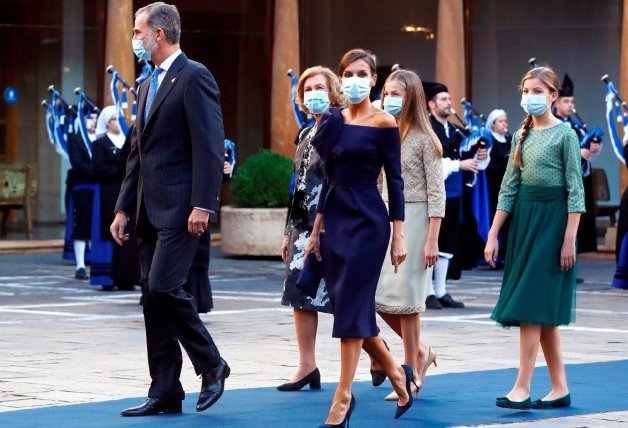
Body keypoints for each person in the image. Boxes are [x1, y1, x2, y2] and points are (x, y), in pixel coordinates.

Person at [111, 3, 228, 416]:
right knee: (151, 298)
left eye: (138, 30)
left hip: (182, 209)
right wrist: (123, 208)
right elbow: (136, 155)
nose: (135, 38)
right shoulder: (146, 84)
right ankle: (165, 389)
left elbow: (210, 147)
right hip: (146, 209)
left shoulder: (194, 76)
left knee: (164, 287)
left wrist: (203, 204)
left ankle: (212, 364)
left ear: (158, 34)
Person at [304, 48, 414, 427]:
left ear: (373, 80)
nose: (353, 80)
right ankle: (398, 375)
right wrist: (316, 231)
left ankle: (343, 397)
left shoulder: (384, 122)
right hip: (335, 217)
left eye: (361, 73)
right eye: (347, 73)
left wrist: (399, 235)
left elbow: (396, 182)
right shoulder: (333, 120)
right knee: (351, 308)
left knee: (351, 306)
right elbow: (327, 179)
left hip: (369, 221)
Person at [484, 66, 584, 410]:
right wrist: (493, 234)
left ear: (553, 96)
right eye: (526, 90)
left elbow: (576, 189)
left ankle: (522, 387)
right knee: (541, 314)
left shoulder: (566, 134)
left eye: (538, 91)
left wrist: (570, 237)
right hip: (525, 223)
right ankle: (560, 388)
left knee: (530, 307)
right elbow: (508, 188)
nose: (530, 97)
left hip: (553, 223)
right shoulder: (520, 136)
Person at [374, 69, 444, 401]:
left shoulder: (425, 139)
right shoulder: (383, 133)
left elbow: (437, 193)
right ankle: (422, 351)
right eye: (386, 92)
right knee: (379, 298)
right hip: (386, 219)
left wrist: (432, 238)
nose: (389, 99)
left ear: (412, 97)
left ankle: (409, 373)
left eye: (397, 94)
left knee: (408, 302)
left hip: (417, 220)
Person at [277, 66, 344, 391]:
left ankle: (381, 356)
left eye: (320, 87)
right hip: (303, 226)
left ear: (332, 92)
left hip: (333, 223)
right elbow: (300, 187)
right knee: (299, 296)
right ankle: (307, 366)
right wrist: (289, 233)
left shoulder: (341, 128)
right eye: (308, 89)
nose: (314, 93)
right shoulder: (305, 133)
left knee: (346, 299)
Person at [423, 82, 483, 309]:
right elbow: (431, 163)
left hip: (454, 193)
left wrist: (479, 154)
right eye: (444, 99)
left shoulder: (454, 130)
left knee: (448, 242)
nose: (449, 103)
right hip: (433, 192)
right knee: (431, 242)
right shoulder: (428, 129)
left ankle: (441, 291)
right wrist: (460, 164)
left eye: (449, 99)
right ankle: (427, 292)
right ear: (431, 104)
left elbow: (468, 157)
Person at [93, 107, 140, 290]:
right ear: (106, 122)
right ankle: (107, 277)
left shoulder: (125, 138)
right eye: (112, 119)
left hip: (126, 191)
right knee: (110, 232)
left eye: (118, 118)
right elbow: (99, 168)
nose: (116, 122)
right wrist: (119, 169)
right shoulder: (101, 143)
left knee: (127, 235)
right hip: (109, 191)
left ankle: (126, 276)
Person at [553, 74, 600, 260]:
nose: (571, 105)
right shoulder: (554, 125)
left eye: (572, 101)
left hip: (580, 179)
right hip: (562, 181)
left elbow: (586, 151)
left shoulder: (577, 126)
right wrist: (578, 153)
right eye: (566, 101)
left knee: (578, 225)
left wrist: (593, 149)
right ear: (556, 103)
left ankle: (572, 261)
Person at [67, 114, 98, 281]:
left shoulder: (101, 138)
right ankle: (80, 265)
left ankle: (96, 262)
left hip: (99, 188)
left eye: (95, 117)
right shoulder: (76, 140)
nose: (94, 120)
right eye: (89, 118)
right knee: (83, 226)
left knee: (98, 227)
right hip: (83, 188)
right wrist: (100, 170)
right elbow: (78, 165)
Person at [485, 109, 511, 266]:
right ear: (493, 124)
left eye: (505, 121)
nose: (504, 124)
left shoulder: (508, 139)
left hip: (508, 185)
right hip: (494, 185)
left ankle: (506, 254)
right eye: (500, 121)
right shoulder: (489, 140)